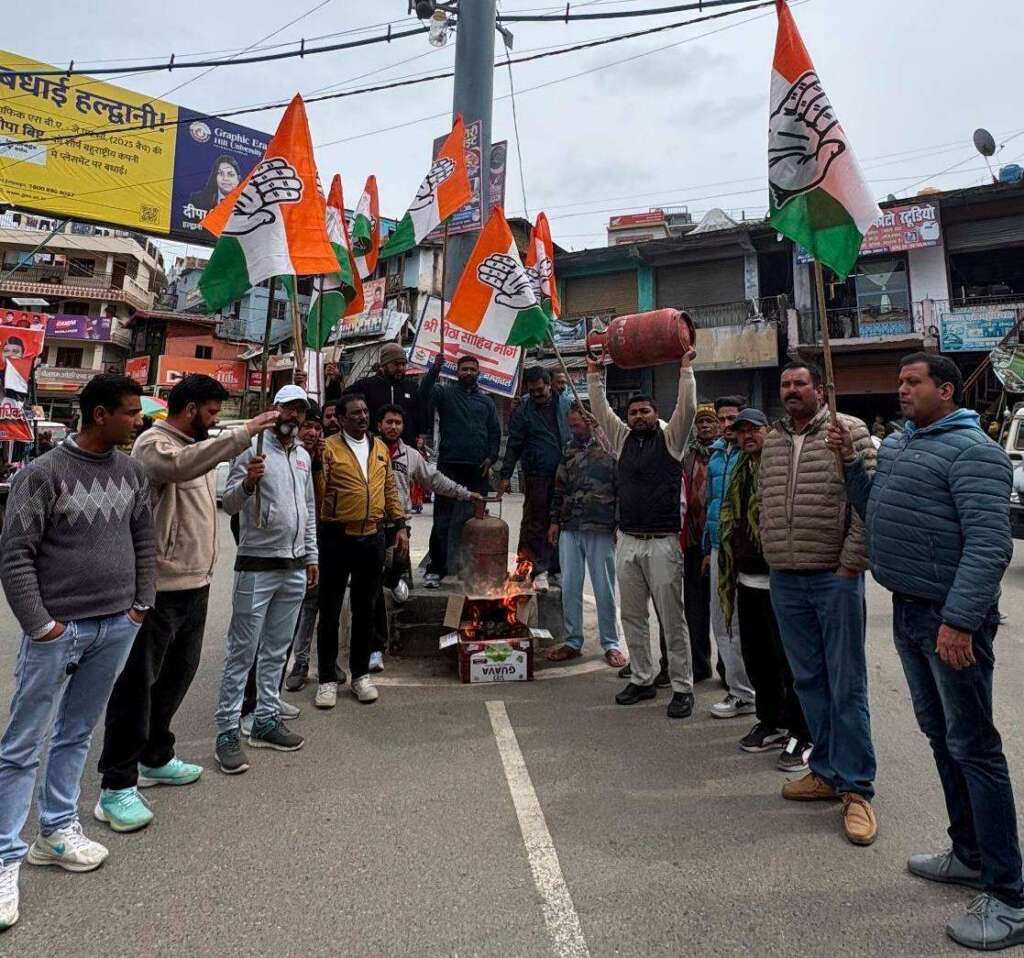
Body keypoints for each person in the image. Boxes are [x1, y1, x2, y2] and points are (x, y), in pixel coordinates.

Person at [829, 353, 1024, 950]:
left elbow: (989, 545)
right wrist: (851, 468)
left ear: (946, 390)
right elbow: (874, 509)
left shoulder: (975, 452)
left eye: (913, 382)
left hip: (949, 621)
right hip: (910, 613)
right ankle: (968, 853)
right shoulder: (902, 444)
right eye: (899, 381)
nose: (901, 389)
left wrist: (960, 621)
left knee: (974, 746)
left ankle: (1010, 894)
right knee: (941, 737)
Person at [0, 374, 155, 931]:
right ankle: (4, 858)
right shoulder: (41, 475)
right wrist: (41, 626)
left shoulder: (132, 473)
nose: (138, 420)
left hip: (117, 625)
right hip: (58, 631)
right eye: (129, 412)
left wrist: (140, 604)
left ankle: (57, 830)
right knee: (24, 743)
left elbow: (144, 540)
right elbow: (15, 555)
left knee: (76, 732)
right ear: (99, 415)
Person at [95, 374, 277, 830]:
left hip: (195, 586)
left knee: (177, 678)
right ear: (191, 408)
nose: (215, 421)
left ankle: (156, 757)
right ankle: (116, 785)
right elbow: (180, 467)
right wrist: (243, 432)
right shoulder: (154, 445)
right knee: (137, 686)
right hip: (158, 589)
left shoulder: (193, 448)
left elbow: (208, 483)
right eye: (212, 412)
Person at [760, 361, 878, 847]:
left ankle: (857, 789)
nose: (791, 390)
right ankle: (826, 770)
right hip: (786, 578)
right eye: (785, 384)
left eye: (799, 383)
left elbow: (869, 503)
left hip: (834, 577)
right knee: (808, 681)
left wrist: (851, 563)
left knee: (845, 683)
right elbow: (766, 502)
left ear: (820, 389)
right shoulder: (772, 440)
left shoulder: (849, 430)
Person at [214, 386, 318, 775]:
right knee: (242, 653)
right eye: (289, 409)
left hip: (293, 566)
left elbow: (308, 509)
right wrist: (247, 483)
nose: (295, 417)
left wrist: (312, 555)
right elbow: (229, 504)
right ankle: (227, 731)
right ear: (275, 410)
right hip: (257, 565)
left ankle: (266, 719)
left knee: (276, 651)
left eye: (300, 411)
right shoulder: (251, 450)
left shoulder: (303, 456)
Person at [587, 352, 697, 719]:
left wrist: (685, 370)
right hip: (628, 540)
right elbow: (601, 410)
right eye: (633, 413)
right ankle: (642, 678)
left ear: (656, 414)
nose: (638, 417)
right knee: (633, 617)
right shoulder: (621, 441)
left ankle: (682, 687)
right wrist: (594, 374)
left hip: (663, 542)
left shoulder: (672, 440)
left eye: (644, 412)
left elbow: (687, 409)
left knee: (672, 619)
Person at [717, 409, 812, 771]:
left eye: (753, 429)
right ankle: (770, 721)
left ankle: (803, 732)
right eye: (741, 431)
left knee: (790, 663)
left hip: (782, 580)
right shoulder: (739, 470)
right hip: (746, 579)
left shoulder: (782, 467)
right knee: (759, 660)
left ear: (768, 431)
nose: (747, 436)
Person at [315, 394, 407, 708]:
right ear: (341, 418)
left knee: (365, 610)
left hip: (372, 538)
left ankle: (360, 675)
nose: (362, 417)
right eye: (355, 413)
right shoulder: (327, 448)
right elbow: (319, 493)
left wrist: (400, 524)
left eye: (365, 411)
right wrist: (317, 464)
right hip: (336, 537)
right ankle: (327, 679)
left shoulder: (379, 448)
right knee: (329, 612)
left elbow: (389, 488)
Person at [371, 404, 478, 670]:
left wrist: (465, 494)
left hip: (399, 529)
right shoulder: (367, 449)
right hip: (370, 528)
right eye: (388, 422)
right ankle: (374, 648)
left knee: (395, 584)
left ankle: (394, 581)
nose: (393, 426)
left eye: (397, 422)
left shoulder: (411, 456)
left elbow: (435, 480)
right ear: (379, 425)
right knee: (372, 590)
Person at [545, 403, 625, 668]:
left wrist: (618, 523)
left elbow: (621, 486)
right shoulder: (569, 449)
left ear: (590, 420)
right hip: (570, 526)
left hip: (601, 526)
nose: (574, 430)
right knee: (570, 586)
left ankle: (611, 643)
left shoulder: (610, 447)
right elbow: (559, 487)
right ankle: (573, 641)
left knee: (604, 587)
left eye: (577, 425)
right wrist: (554, 521)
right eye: (571, 426)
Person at [419, 354, 500, 587]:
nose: (468, 373)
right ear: (456, 371)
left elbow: (494, 432)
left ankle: (471, 569)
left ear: (478, 372)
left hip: (478, 470)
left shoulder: (487, 402)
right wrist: (434, 369)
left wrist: (491, 458)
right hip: (450, 466)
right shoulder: (444, 394)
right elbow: (423, 393)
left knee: (475, 521)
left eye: (472, 369)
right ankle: (436, 569)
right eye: (464, 369)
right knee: (442, 520)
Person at [704, 395, 756, 717]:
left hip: (748, 554)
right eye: (721, 419)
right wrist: (707, 548)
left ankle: (755, 692)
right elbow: (710, 503)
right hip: (717, 550)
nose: (726, 425)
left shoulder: (754, 453)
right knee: (723, 623)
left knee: (748, 626)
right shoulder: (714, 455)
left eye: (731, 419)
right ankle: (740, 692)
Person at [499, 366, 571, 591]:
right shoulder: (523, 411)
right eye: (532, 391)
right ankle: (537, 569)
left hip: (565, 474)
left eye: (540, 390)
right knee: (535, 522)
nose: (537, 394)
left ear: (549, 385)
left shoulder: (566, 405)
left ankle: (557, 568)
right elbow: (514, 444)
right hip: (536, 474)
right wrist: (505, 474)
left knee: (561, 521)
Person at [283, 411, 328, 692]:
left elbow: (321, 502)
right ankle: (282, 665)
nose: (312, 433)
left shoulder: (320, 458)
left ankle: (304, 662)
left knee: (314, 605)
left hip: (319, 543)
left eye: (316, 427)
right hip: (287, 547)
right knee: (288, 609)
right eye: (307, 427)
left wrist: (320, 463)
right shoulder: (287, 456)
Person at [681, 403, 719, 682]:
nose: (705, 426)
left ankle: (728, 670)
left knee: (722, 610)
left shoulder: (725, 452)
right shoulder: (687, 455)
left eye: (710, 422)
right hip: (692, 543)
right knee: (694, 609)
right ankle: (699, 665)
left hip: (717, 543)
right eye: (701, 422)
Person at [344, 342, 420, 444]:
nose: (401, 368)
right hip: (373, 446)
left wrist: (417, 437)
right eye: (396, 364)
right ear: (384, 364)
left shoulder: (411, 387)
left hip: (405, 447)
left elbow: (417, 416)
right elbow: (343, 403)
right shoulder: (366, 386)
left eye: (403, 364)